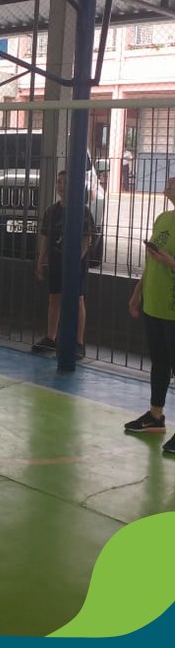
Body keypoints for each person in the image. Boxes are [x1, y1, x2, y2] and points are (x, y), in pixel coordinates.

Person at [125, 175, 175, 452]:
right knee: (160, 362)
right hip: (154, 305)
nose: (169, 182)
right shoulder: (163, 219)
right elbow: (150, 263)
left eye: (174, 181)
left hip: (173, 308)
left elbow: (164, 261)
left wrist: (170, 261)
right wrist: (137, 293)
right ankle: (156, 416)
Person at [31, 170, 95, 360]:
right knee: (54, 298)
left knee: (78, 299)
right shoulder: (52, 211)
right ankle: (51, 338)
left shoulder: (82, 211)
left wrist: (75, 262)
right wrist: (41, 260)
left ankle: (78, 342)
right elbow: (45, 237)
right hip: (56, 262)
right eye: (58, 182)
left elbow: (86, 240)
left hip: (75, 265)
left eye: (65, 182)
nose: (60, 186)